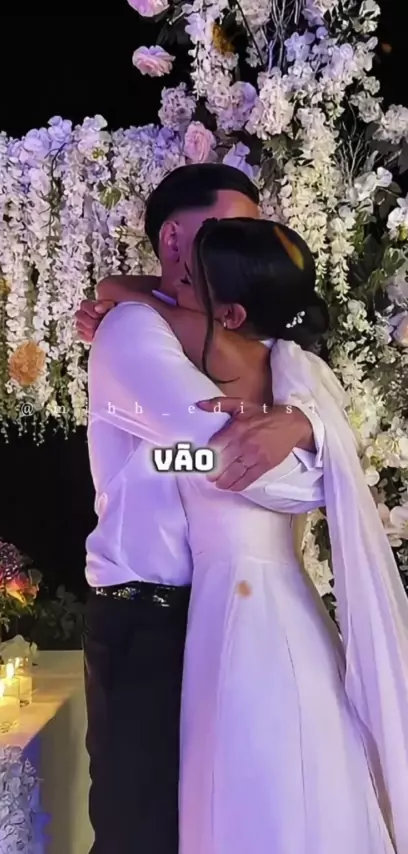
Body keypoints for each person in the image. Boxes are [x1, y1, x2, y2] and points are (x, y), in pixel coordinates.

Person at [88, 218, 408, 854]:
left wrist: (296, 428)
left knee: (267, 788)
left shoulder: (289, 372)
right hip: (234, 606)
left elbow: (244, 472)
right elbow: (129, 296)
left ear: (231, 313)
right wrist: (167, 459)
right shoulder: (251, 364)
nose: (168, 288)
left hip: (255, 613)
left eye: (187, 282)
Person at [77, 164, 324, 854]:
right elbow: (213, 455)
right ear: (175, 239)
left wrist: (301, 426)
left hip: (224, 613)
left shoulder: (245, 337)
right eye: (228, 230)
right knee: (143, 830)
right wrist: (299, 453)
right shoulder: (131, 329)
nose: (243, 248)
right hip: (147, 615)